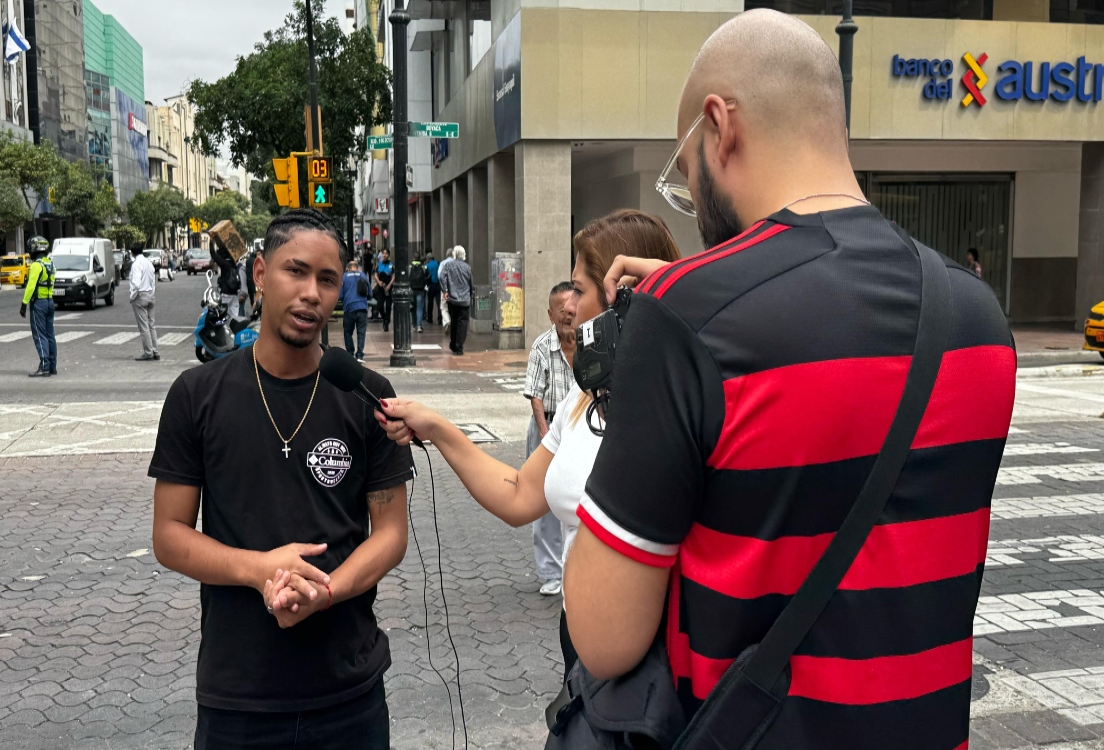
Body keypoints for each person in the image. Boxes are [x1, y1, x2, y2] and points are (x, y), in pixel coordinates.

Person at [560, 11, 1016, 749]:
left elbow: (604, 637)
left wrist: (656, 343)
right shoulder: (978, 317)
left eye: (685, 173)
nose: (692, 197)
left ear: (720, 125)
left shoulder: (689, 316)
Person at [378, 210, 681, 681]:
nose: (570, 306)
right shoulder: (584, 400)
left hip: (656, 672)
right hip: (580, 659)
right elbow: (519, 494)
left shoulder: (685, 403)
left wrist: (675, 298)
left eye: (580, 291)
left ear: (626, 299)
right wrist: (436, 427)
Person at [150, 208, 412, 750]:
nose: (311, 293)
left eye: (327, 279)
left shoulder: (365, 394)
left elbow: (390, 533)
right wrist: (260, 569)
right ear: (261, 275)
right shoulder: (197, 396)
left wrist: (328, 590)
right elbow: (169, 535)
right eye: (296, 272)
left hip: (349, 691)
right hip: (238, 696)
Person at [523, 281, 579, 597]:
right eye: (561, 312)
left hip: (581, 422)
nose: (568, 316)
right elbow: (536, 396)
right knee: (543, 498)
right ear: (550, 314)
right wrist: (547, 436)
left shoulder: (588, 341)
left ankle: (576, 568)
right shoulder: (542, 347)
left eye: (572, 309)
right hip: (548, 422)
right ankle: (550, 572)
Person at [19, 236, 56, 377]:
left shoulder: (36, 266)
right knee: (50, 335)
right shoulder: (51, 265)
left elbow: (30, 286)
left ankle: (44, 366)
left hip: (39, 303)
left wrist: (24, 304)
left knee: (40, 335)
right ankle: (52, 366)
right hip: (49, 302)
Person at [129, 244, 159, 362]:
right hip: (150, 294)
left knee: (143, 327)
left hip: (140, 295)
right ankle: (155, 351)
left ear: (132, 253)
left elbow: (136, 283)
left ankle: (148, 352)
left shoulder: (136, 264)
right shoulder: (149, 263)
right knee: (151, 325)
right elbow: (153, 281)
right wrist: (152, 293)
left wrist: (132, 296)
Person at [440, 246, 473, 355]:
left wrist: (445, 290)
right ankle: (459, 346)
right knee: (462, 323)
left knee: (454, 321)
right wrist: (470, 294)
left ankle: (453, 343)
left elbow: (441, 277)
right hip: (464, 300)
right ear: (463, 255)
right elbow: (470, 283)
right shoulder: (467, 268)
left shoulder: (448, 266)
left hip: (453, 299)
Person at [340, 259, 371, 362]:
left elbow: (340, 295)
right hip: (362, 307)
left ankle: (350, 353)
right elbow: (370, 294)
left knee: (348, 332)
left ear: (348, 269)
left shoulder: (344, 277)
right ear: (358, 268)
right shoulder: (363, 276)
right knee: (361, 332)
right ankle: (359, 355)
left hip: (349, 308)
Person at [211, 243, 242, 320]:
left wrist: (211, 242)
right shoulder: (235, 264)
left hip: (226, 293)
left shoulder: (224, 263)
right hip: (235, 293)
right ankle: (235, 330)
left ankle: (224, 330)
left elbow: (213, 255)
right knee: (234, 316)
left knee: (222, 316)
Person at [373, 250, 394, 332]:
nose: (384, 255)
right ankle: (385, 317)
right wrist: (379, 281)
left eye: (386, 253)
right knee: (380, 305)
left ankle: (386, 322)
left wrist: (389, 285)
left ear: (388, 255)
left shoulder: (391, 265)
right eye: (383, 253)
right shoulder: (379, 264)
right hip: (381, 288)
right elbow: (375, 275)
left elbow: (393, 276)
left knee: (388, 306)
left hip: (388, 288)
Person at [408, 254, 429, 333]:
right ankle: (419, 326)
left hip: (412, 289)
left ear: (413, 258)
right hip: (420, 290)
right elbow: (427, 276)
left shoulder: (410, 267)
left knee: (413, 308)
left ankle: (414, 325)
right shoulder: (423, 267)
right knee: (419, 308)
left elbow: (408, 278)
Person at [438, 248, 453, 332]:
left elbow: (439, 275)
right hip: (454, 289)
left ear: (447, 254)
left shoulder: (443, 263)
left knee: (443, 307)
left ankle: (447, 320)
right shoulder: (456, 263)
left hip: (445, 288)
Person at [425, 252, 440, 324]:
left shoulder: (427, 265)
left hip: (430, 285)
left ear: (428, 258)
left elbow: (425, 275)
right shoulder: (437, 263)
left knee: (430, 303)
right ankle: (440, 318)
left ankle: (430, 318)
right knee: (439, 302)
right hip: (437, 285)